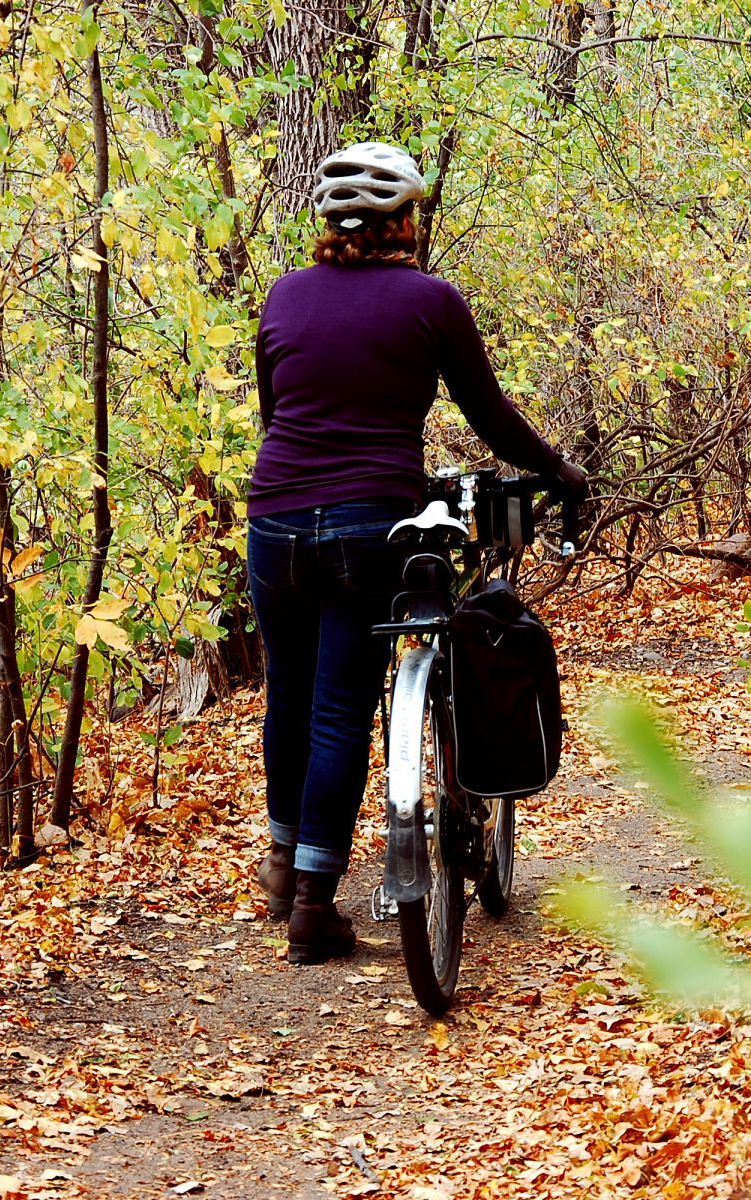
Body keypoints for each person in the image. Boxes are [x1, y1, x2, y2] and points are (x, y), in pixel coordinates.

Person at [246, 141, 587, 965]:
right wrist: (558, 470)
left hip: (274, 519)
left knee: (287, 701)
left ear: (329, 225)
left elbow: (275, 409)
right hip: (367, 525)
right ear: (404, 221)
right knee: (335, 712)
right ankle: (315, 909)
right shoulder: (431, 301)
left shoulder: (283, 297)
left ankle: (284, 870)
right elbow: (489, 414)